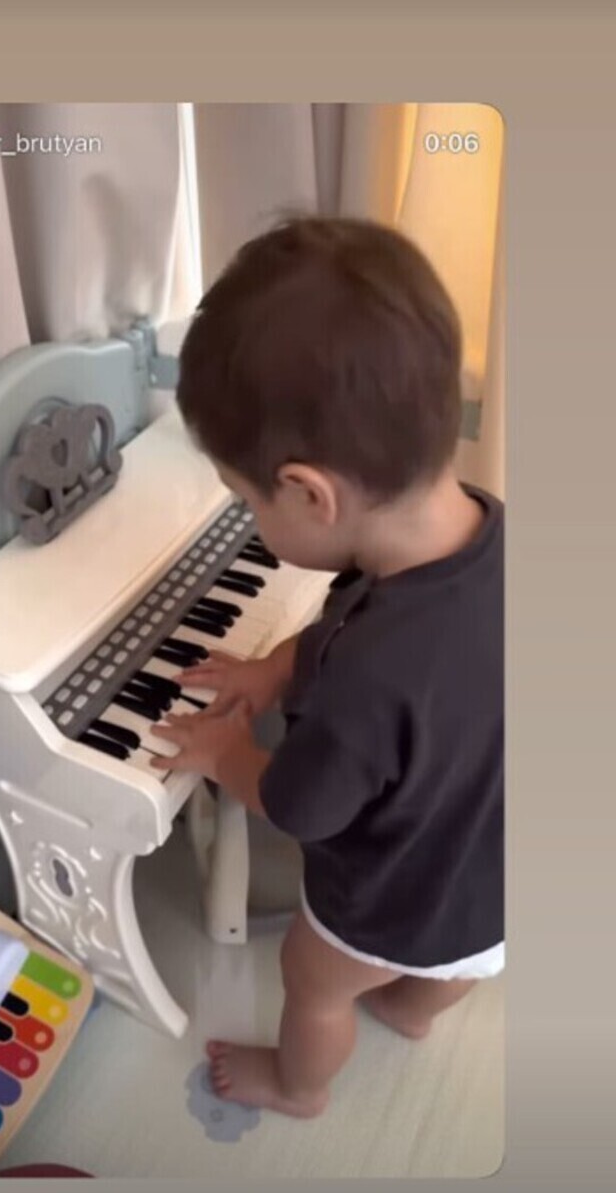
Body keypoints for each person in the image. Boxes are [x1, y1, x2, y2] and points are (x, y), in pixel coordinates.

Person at [149, 216, 504, 1119]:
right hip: (502, 880)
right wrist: (276, 666)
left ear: (310, 493)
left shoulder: (370, 678)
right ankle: (414, 1011)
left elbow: (301, 806)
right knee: (451, 964)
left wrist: (225, 753)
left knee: (313, 980)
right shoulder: (487, 527)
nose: (252, 519)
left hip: (392, 898)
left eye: (247, 502)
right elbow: (382, 637)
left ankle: (299, 1087)